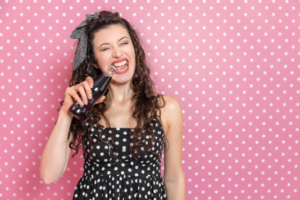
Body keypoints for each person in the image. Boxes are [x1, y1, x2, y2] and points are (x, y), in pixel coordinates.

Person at [40, 10, 185, 200]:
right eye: (105, 48)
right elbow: (49, 176)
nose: (117, 53)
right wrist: (67, 113)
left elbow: (173, 179)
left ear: (134, 49)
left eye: (124, 43)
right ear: (95, 60)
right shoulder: (84, 106)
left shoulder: (166, 108)